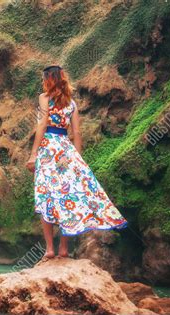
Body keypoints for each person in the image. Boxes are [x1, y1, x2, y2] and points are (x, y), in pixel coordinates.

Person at [26, 65, 127, 259]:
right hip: (66, 151)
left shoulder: (44, 98)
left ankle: (49, 249)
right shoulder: (71, 104)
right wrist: (77, 159)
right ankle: (64, 249)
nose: (42, 83)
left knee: (46, 196)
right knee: (67, 198)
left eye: (43, 79)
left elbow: (41, 125)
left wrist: (33, 154)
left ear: (49, 80)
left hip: (48, 150)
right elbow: (77, 133)